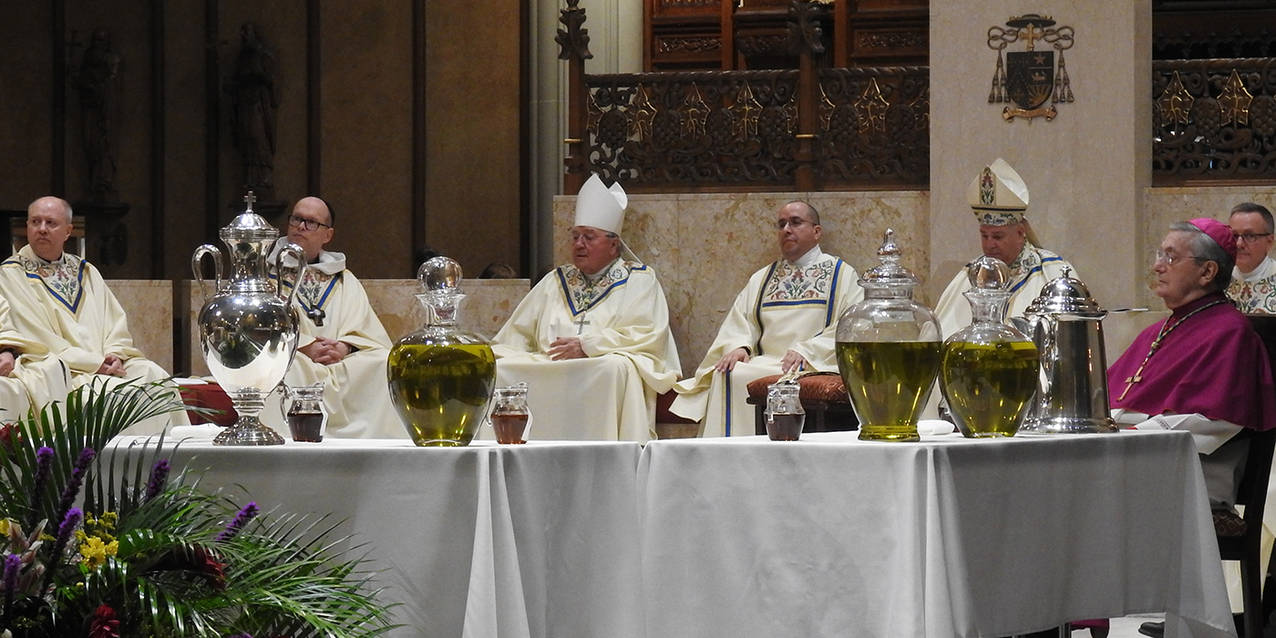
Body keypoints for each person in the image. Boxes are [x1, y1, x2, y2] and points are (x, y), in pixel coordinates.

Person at [1109, 219, 1276, 638]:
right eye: (1159, 254)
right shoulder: (1158, 330)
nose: (1158, 266)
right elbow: (1112, 400)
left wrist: (1136, 431)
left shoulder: (1230, 331)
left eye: (1171, 256)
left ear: (1207, 272)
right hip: (1145, 463)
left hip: (1198, 480)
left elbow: (1217, 420)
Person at [491, 174, 680, 442]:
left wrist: (588, 346)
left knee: (613, 368)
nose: (579, 244)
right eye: (576, 236)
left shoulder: (639, 279)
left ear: (613, 245)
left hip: (599, 364)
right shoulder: (556, 280)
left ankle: (604, 458)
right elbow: (515, 334)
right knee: (502, 367)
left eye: (589, 237)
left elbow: (648, 334)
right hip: (551, 363)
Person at [670, 201, 864, 437]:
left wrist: (808, 350)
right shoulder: (763, 278)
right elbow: (742, 320)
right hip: (765, 361)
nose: (786, 229)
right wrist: (740, 346)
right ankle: (729, 457)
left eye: (795, 222)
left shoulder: (842, 274)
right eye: (781, 224)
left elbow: (851, 325)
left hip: (810, 364)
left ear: (817, 232)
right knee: (728, 372)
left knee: (742, 375)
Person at [0, 196, 185, 433]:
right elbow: (36, 338)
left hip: (104, 362)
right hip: (64, 368)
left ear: (68, 231)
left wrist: (115, 353)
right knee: (114, 394)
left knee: (154, 376)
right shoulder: (11, 274)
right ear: (26, 227)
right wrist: (95, 363)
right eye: (35, 222)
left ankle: (163, 464)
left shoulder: (86, 271)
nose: (42, 229)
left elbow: (114, 322)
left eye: (50, 223)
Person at [265, 196, 399, 438]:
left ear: (327, 235)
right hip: (297, 357)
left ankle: (372, 443)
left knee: (382, 362)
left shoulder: (344, 279)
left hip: (340, 362)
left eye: (311, 222)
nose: (301, 227)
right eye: (296, 219)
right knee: (281, 367)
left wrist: (345, 347)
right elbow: (263, 326)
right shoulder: (267, 276)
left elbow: (366, 329)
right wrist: (306, 346)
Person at [933, 158, 1076, 338]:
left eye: (998, 236)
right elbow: (938, 335)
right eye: (984, 235)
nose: (989, 244)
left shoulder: (1051, 273)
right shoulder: (970, 275)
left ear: (1020, 232)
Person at [1225, 202, 1276, 313]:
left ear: (1270, 241)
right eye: (1234, 235)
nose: (1239, 244)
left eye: (1250, 236)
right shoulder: (1217, 280)